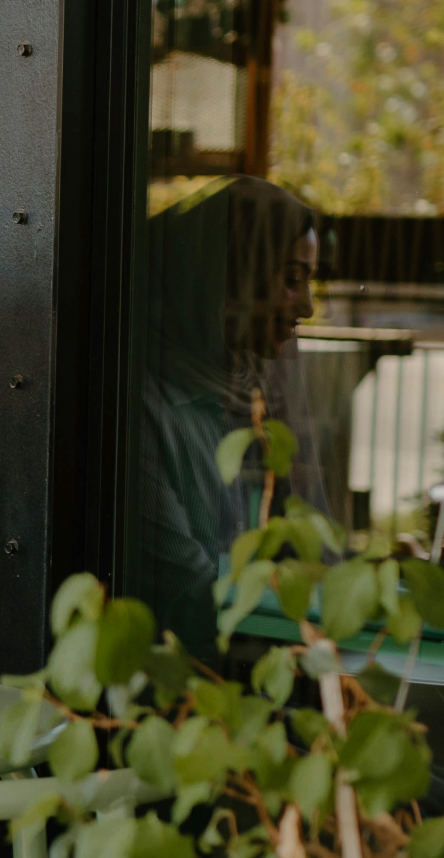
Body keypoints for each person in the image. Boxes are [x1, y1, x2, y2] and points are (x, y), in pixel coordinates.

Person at [123, 176, 324, 652]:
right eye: (292, 280)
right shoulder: (141, 415)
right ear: (231, 278)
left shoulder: (246, 394)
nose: (309, 307)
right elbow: (190, 594)